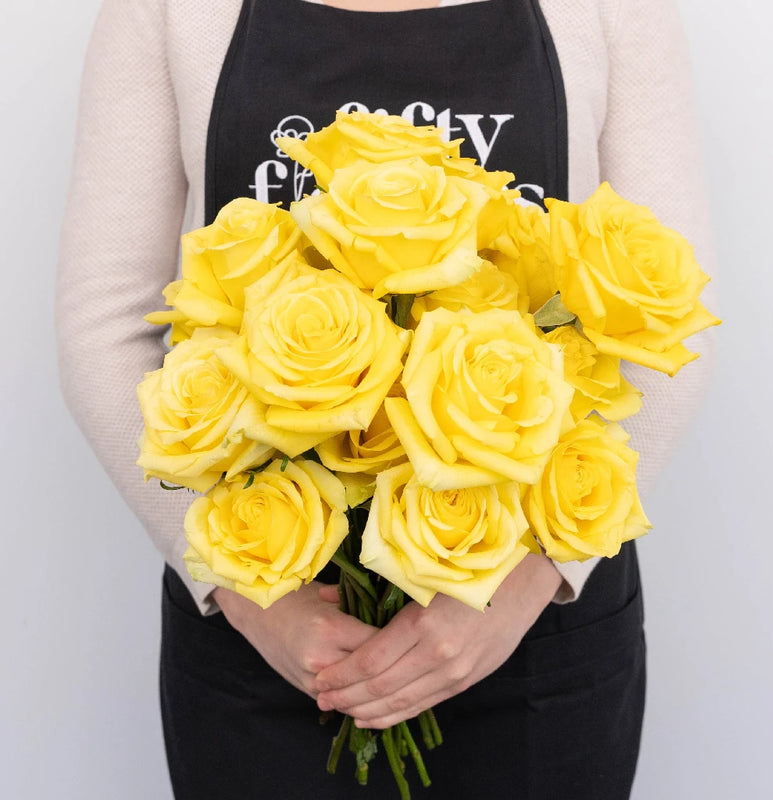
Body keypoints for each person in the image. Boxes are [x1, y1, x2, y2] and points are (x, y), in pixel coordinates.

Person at [56, 0, 715, 797]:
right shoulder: (167, 11)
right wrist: (251, 595)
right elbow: (107, 323)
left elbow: (671, 316)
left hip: (536, 632)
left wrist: (533, 578)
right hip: (264, 627)